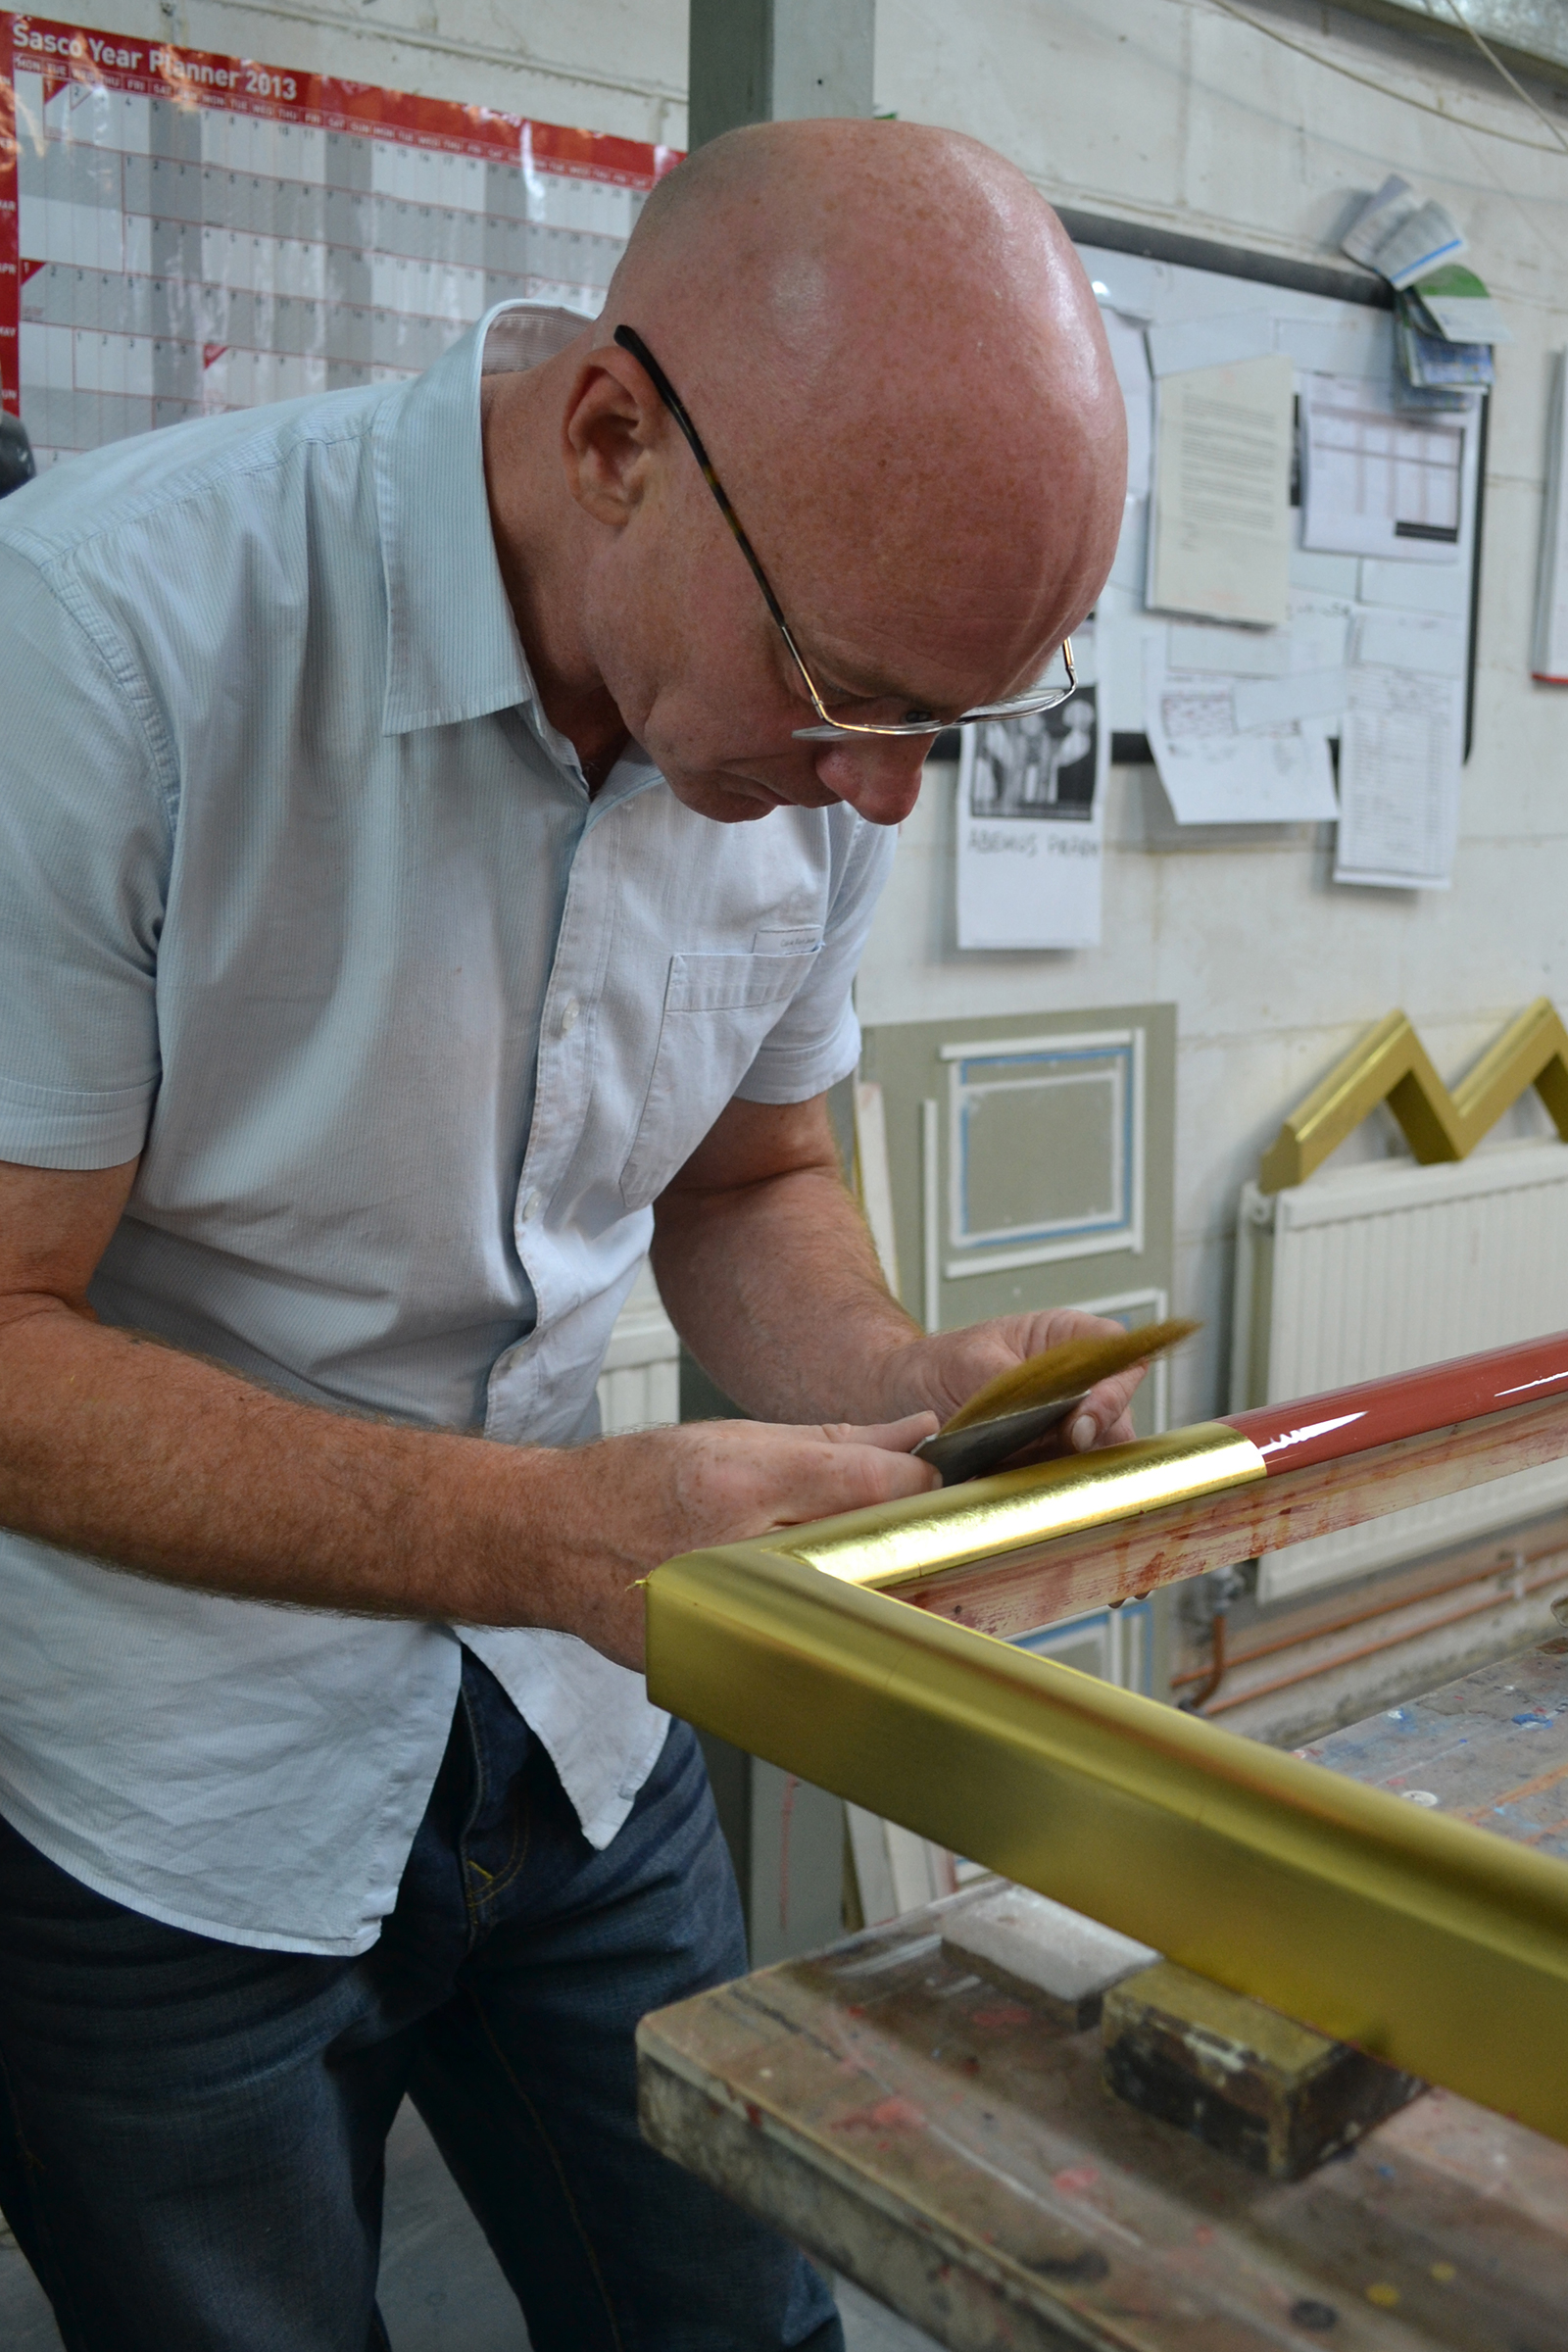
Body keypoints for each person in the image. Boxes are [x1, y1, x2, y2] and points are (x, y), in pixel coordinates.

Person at [0, 117, 1132, 2351]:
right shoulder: (107, 640)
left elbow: (748, 1180)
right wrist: (548, 1536)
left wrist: (897, 1384)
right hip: (169, 1802)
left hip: (583, 1727)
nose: (882, 788)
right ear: (614, 439)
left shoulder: (817, 722)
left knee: (744, 2322)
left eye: (947, 720)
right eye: (850, 693)